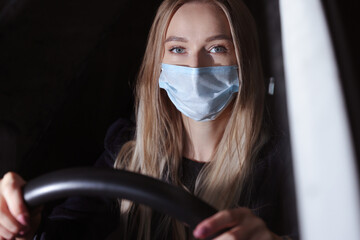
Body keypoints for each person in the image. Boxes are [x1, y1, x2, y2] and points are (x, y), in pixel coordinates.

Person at [0, 0, 298, 239]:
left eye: (217, 48)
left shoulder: (286, 165)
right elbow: (72, 224)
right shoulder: (127, 151)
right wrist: (23, 225)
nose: (195, 66)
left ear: (244, 62)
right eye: (177, 49)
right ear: (158, 65)